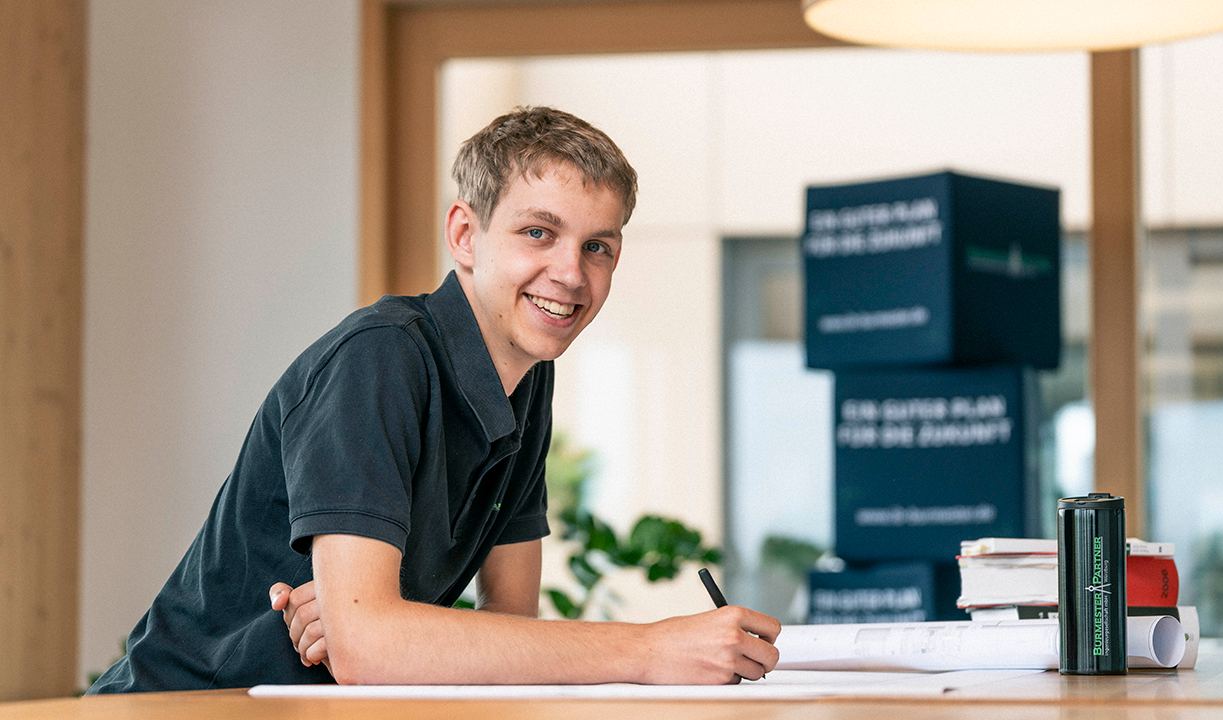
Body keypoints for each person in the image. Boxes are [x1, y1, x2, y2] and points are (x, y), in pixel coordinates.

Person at [87, 106, 780, 693]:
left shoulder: (528, 377)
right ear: (464, 236)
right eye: (538, 232)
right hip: (183, 706)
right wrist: (647, 650)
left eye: (597, 246)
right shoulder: (381, 358)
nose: (570, 273)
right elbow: (370, 650)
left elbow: (507, 626)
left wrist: (383, 622)